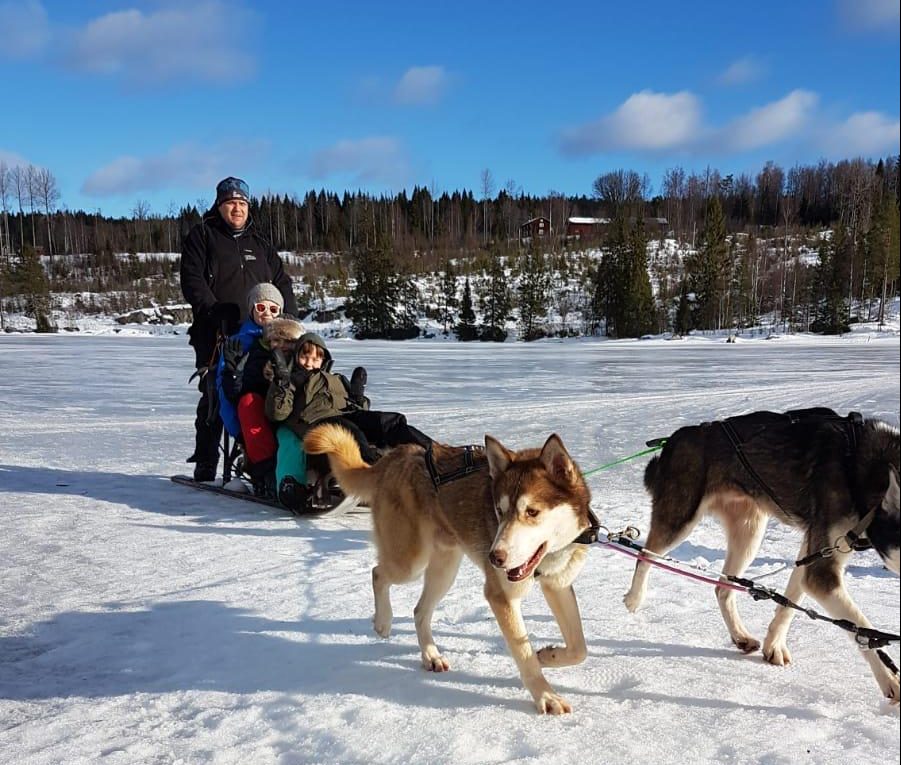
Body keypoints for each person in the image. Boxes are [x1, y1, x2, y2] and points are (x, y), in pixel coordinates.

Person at [180, 176, 298, 481]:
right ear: (219, 205)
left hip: (264, 334)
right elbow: (192, 280)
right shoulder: (203, 236)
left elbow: (282, 282)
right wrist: (214, 310)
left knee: (271, 388)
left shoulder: (260, 245)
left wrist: (289, 318)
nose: (237, 208)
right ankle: (206, 459)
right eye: (231, 202)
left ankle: (266, 456)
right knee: (214, 394)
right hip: (216, 332)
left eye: (242, 203)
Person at [265, 332, 432, 512]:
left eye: (316, 358)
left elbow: (358, 409)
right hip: (317, 422)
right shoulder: (292, 380)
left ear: (324, 359)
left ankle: (433, 456)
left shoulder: (336, 379)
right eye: (305, 356)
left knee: (391, 421)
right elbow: (278, 413)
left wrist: (358, 398)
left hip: (348, 414)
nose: (310, 362)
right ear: (297, 357)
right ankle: (376, 474)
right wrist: (281, 383)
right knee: (350, 432)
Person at [217, 284, 304, 493]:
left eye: (273, 309)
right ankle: (267, 475)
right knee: (250, 404)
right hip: (253, 408)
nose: (267, 314)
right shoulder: (240, 343)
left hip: (287, 404)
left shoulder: (293, 339)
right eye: (261, 307)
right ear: (252, 310)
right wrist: (233, 373)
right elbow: (227, 390)